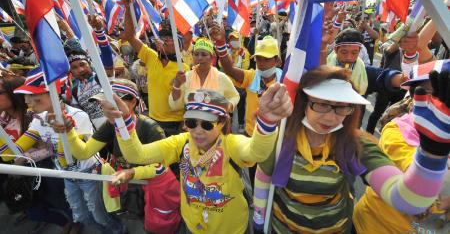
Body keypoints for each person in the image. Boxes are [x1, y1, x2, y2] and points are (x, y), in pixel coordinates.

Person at [252, 65, 449, 233]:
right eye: (322, 104)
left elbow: (408, 200)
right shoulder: (283, 136)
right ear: (304, 102)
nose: (331, 118)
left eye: (343, 107)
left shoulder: (356, 145)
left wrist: (433, 151)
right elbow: (263, 174)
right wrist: (259, 222)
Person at [100, 85, 292, 234]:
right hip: (192, 225)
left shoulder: (231, 144)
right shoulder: (181, 143)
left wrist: (267, 122)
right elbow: (137, 155)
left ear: (223, 122)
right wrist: (124, 122)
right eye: (191, 122)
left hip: (230, 229)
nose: (197, 130)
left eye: (207, 124)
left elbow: (256, 152)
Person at [0, 67, 125, 234]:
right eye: (26, 96)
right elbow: (11, 154)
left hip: (88, 174)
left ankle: (118, 231)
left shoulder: (78, 116)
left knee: (100, 215)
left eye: (34, 96)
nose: (27, 101)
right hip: (67, 176)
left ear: (53, 94)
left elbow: (73, 156)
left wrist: (65, 132)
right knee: (81, 216)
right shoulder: (39, 120)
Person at [50, 79, 180, 232]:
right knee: (135, 218)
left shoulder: (150, 128)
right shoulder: (110, 125)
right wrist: (69, 131)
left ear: (132, 102)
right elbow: (83, 153)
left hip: (150, 188)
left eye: (109, 102)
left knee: (153, 222)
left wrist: (132, 173)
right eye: (102, 102)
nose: (103, 107)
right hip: (127, 186)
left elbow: (161, 169)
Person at [354, 60, 450, 234]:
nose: (437, 101)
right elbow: (425, 186)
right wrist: (435, 151)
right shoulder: (397, 129)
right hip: (375, 226)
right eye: (427, 91)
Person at [120, 0, 189, 136]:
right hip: (153, 122)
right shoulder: (151, 57)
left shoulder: (184, 69)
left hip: (175, 125)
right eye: (162, 37)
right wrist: (128, 8)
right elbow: (130, 36)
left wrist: (185, 124)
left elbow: (188, 100)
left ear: (178, 44)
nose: (164, 40)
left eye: (169, 38)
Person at [170, 37, 240, 112]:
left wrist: (227, 106)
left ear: (212, 58)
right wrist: (176, 86)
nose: (199, 58)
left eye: (204, 55)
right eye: (196, 54)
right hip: (192, 122)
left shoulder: (221, 77)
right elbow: (175, 106)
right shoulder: (186, 77)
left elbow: (234, 96)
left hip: (215, 122)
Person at [66, 49, 107, 130]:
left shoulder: (101, 77)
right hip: (102, 135)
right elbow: (81, 116)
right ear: (71, 73)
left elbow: (107, 55)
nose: (80, 70)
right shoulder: (74, 91)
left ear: (89, 63)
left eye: (82, 64)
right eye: (74, 68)